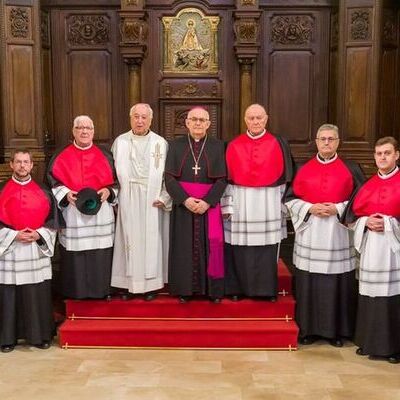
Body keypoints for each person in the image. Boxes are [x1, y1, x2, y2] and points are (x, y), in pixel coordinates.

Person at [284, 124, 365, 347]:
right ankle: (308, 330)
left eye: (331, 139)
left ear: (338, 141)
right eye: (323, 139)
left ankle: (336, 332)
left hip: (337, 234)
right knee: (309, 281)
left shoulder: (352, 168)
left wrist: (337, 209)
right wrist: (309, 208)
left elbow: (362, 200)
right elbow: (289, 198)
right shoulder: (302, 168)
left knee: (337, 282)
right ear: (316, 141)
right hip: (310, 233)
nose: (327, 143)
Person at [222, 104, 293, 301]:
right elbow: (227, 181)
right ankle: (237, 289)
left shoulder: (278, 144)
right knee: (239, 247)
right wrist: (226, 206)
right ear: (245, 120)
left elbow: (285, 178)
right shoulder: (234, 145)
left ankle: (265, 290)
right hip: (241, 205)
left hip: (268, 205)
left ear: (266, 119)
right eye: (251, 118)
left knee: (266, 247)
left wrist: (282, 206)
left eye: (259, 118)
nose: (255, 122)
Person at [47, 115, 118, 300]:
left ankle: (101, 290)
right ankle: (76, 292)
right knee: (76, 253)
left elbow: (118, 182)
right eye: (80, 128)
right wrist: (65, 193)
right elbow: (52, 182)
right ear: (74, 131)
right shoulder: (61, 155)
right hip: (73, 211)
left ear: (93, 131)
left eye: (88, 128)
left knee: (100, 251)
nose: (84, 131)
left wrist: (108, 191)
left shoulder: (106, 154)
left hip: (101, 211)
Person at [343, 136, 400, 363]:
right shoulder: (368, 184)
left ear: (397, 154)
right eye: (378, 154)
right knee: (369, 294)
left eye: (387, 153)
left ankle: (393, 347)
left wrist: (388, 224)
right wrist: (365, 222)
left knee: (392, 296)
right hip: (371, 247)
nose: (382, 158)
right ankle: (368, 341)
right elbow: (351, 217)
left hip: (393, 251)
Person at [0, 150, 63, 352]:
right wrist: (13, 236)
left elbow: (53, 222)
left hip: (35, 249)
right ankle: (7, 338)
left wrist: (39, 234)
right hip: (9, 250)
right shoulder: (1, 191)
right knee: (9, 295)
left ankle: (40, 336)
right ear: (11, 165)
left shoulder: (44, 191)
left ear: (31, 165)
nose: (22, 166)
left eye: (25, 162)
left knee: (36, 293)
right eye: (18, 162)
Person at [165, 107, 227, 303]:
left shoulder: (218, 146)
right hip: (184, 205)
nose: (198, 123)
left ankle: (212, 290)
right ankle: (184, 290)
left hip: (208, 205)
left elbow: (223, 179)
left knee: (211, 246)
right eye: (194, 119)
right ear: (187, 123)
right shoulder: (175, 146)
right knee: (183, 247)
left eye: (202, 120)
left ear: (209, 124)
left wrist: (208, 202)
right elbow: (169, 177)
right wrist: (185, 199)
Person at [111, 103, 171, 301]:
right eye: (136, 116)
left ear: (150, 120)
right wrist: (115, 197)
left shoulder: (160, 143)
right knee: (128, 240)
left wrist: (164, 197)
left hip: (152, 200)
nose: (139, 120)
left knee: (151, 242)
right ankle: (128, 285)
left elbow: (169, 176)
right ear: (130, 118)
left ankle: (151, 285)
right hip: (128, 198)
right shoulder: (120, 142)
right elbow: (112, 175)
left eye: (144, 117)